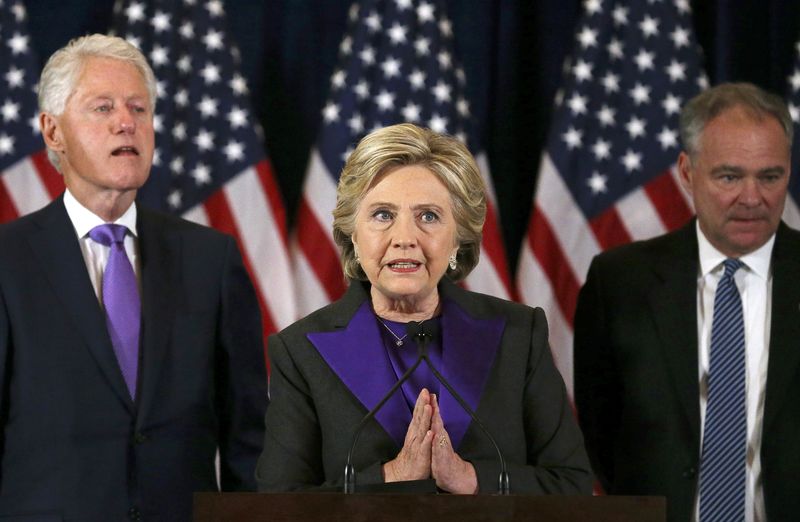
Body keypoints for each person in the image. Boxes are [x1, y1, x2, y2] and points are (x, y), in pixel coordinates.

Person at [0, 34, 267, 520]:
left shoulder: (210, 260)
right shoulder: (8, 261)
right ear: (53, 132)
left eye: (139, 109)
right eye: (102, 108)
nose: (126, 123)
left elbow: (249, 439)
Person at [256, 123, 591, 494]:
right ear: (353, 232)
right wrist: (391, 476)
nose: (404, 238)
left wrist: (470, 478)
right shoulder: (302, 351)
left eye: (428, 216)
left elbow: (571, 484)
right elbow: (280, 503)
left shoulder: (518, 335)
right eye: (383, 215)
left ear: (458, 237)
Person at [574, 82, 800, 522]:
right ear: (687, 171)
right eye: (729, 176)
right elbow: (600, 431)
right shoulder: (619, 282)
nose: (752, 198)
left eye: (770, 176)